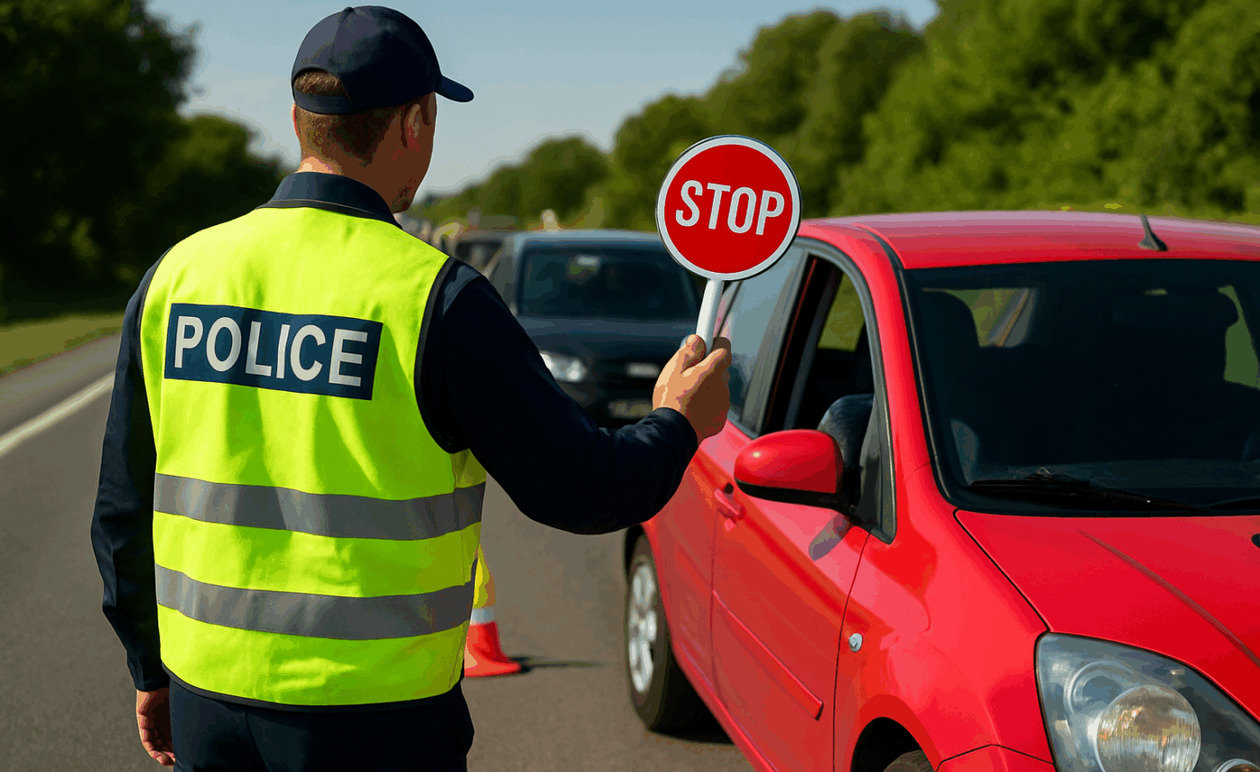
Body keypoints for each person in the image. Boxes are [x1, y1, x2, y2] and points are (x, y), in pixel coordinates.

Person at [89, 6, 731, 771]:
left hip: (208, 700)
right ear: (415, 124)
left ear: (299, 119)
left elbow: (122, 507)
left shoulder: (178, 276)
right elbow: (582, 489)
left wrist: (148, 668)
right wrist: (678, 422)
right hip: (375, 720)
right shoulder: (437, 297)